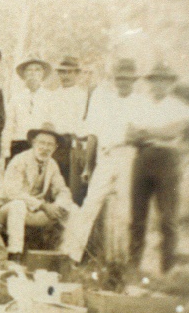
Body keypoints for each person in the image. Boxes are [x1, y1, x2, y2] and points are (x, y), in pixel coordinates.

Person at [61, 58, 143, 268]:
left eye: (128, 79)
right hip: (106, 156)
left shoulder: (140, 102)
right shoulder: (105, 99)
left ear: (134, 80)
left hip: (129, 157)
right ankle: (72, 255)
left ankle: (121, 262)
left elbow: (143, 137)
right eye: (120, 78)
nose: (124, 82)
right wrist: (89, 166)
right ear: (114, 79)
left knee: (124, 210)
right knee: (90, 205)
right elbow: (93, 135)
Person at [127, 63, 189, 273]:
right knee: (137, 217)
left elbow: (173, 132)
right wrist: (155, 133)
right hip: (142, 159)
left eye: (164, 81)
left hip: (168, 160)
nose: (159, 85)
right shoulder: (140, 104)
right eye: (155, 81)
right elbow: (131, 135)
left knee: (168, 218)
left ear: (171, 84)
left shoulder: (178, 106)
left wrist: (147, 132)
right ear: (150, 83)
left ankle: (167, 268)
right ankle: (133, 266)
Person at [0, 123, 73, 262]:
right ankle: (15, 255)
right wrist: (43, 206)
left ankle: (65, 256)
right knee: (18, 205)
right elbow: (12, 192)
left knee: (72, 209)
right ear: (33, 143)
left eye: (50, 145)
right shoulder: (19, 160)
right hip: (7, 209)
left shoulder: (52, 164)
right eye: (41, 143)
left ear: (55, 147)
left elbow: (62, 189)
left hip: (35, 211)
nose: (45, 148)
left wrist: (60, 205)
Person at [46, 56, 90, 197]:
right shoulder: (52, 96)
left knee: (72, 185)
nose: (66, 76)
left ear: (76, 74)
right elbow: (48, 121)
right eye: (62, 72)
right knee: (53, 182)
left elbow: (84, 124)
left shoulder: (83, 96)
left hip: (74, 144)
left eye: (69, 72)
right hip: (55, 144)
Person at [3, 56, 53, 164]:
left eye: (37, 70)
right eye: (29, 70)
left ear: (42, 74)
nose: (33, 73)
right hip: (19, 144)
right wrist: (6, 148)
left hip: (41, 146)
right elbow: (8, 124)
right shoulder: (16, 98)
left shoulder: (50, 97)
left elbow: (52, 124)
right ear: (24, 74)